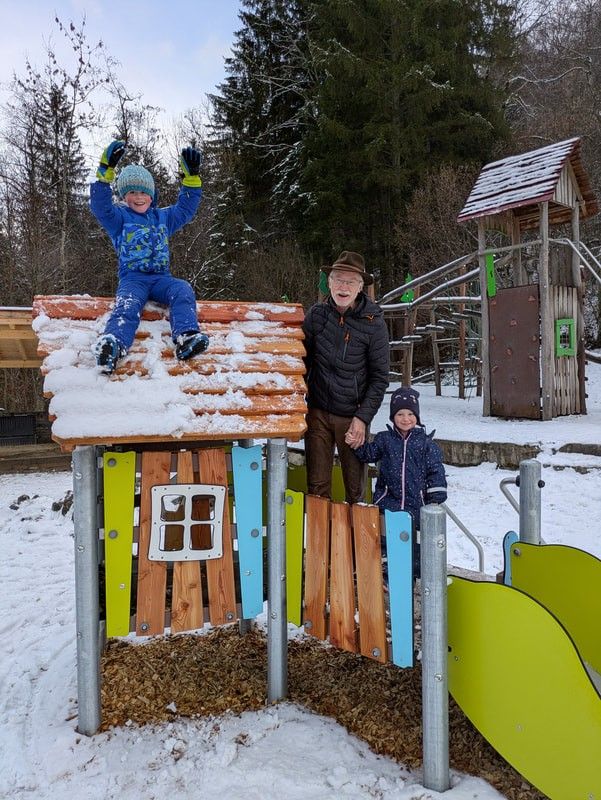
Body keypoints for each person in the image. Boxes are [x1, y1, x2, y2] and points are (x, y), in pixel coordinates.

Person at [90, 140, 209, 374]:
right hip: (132, 279)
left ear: (152, 195)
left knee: (183, 289)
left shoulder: (163, 218)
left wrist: (191, 179)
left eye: (143, 191)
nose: (138, 196)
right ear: (124, 196)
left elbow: (186, 209)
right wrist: (105, 171)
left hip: (161, 280)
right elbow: (100, 206)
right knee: (127, 306)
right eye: (132, 192)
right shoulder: (119, 218)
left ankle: (186, 337)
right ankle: (113, 344)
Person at [302, 250, 389, 504]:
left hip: (353, 417)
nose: (343, 286)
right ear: (328, 283)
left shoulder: (374, 323)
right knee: (317, 487)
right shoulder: (317, 316)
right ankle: (322, 543)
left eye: (350, 281)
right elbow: (302, 362)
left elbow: (380, 378)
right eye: (338, 279)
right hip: (318, 412)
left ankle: (354, 542)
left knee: (355, 490)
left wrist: (362, 419)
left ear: (360, 287)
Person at [347, 386, 447, 575]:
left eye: (410, 414)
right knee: (388, 540)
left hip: (415, 505)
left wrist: (436, 493)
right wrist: (356, 445)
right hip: (388, 502)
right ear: (393, 417)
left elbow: (436, 469)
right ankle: (387, 574)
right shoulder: (385, 440)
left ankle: (413, 574)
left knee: (413, 543)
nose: (405, 418)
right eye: (400, 414)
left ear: (417, 416)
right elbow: (369, 454)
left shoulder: (426, 443)